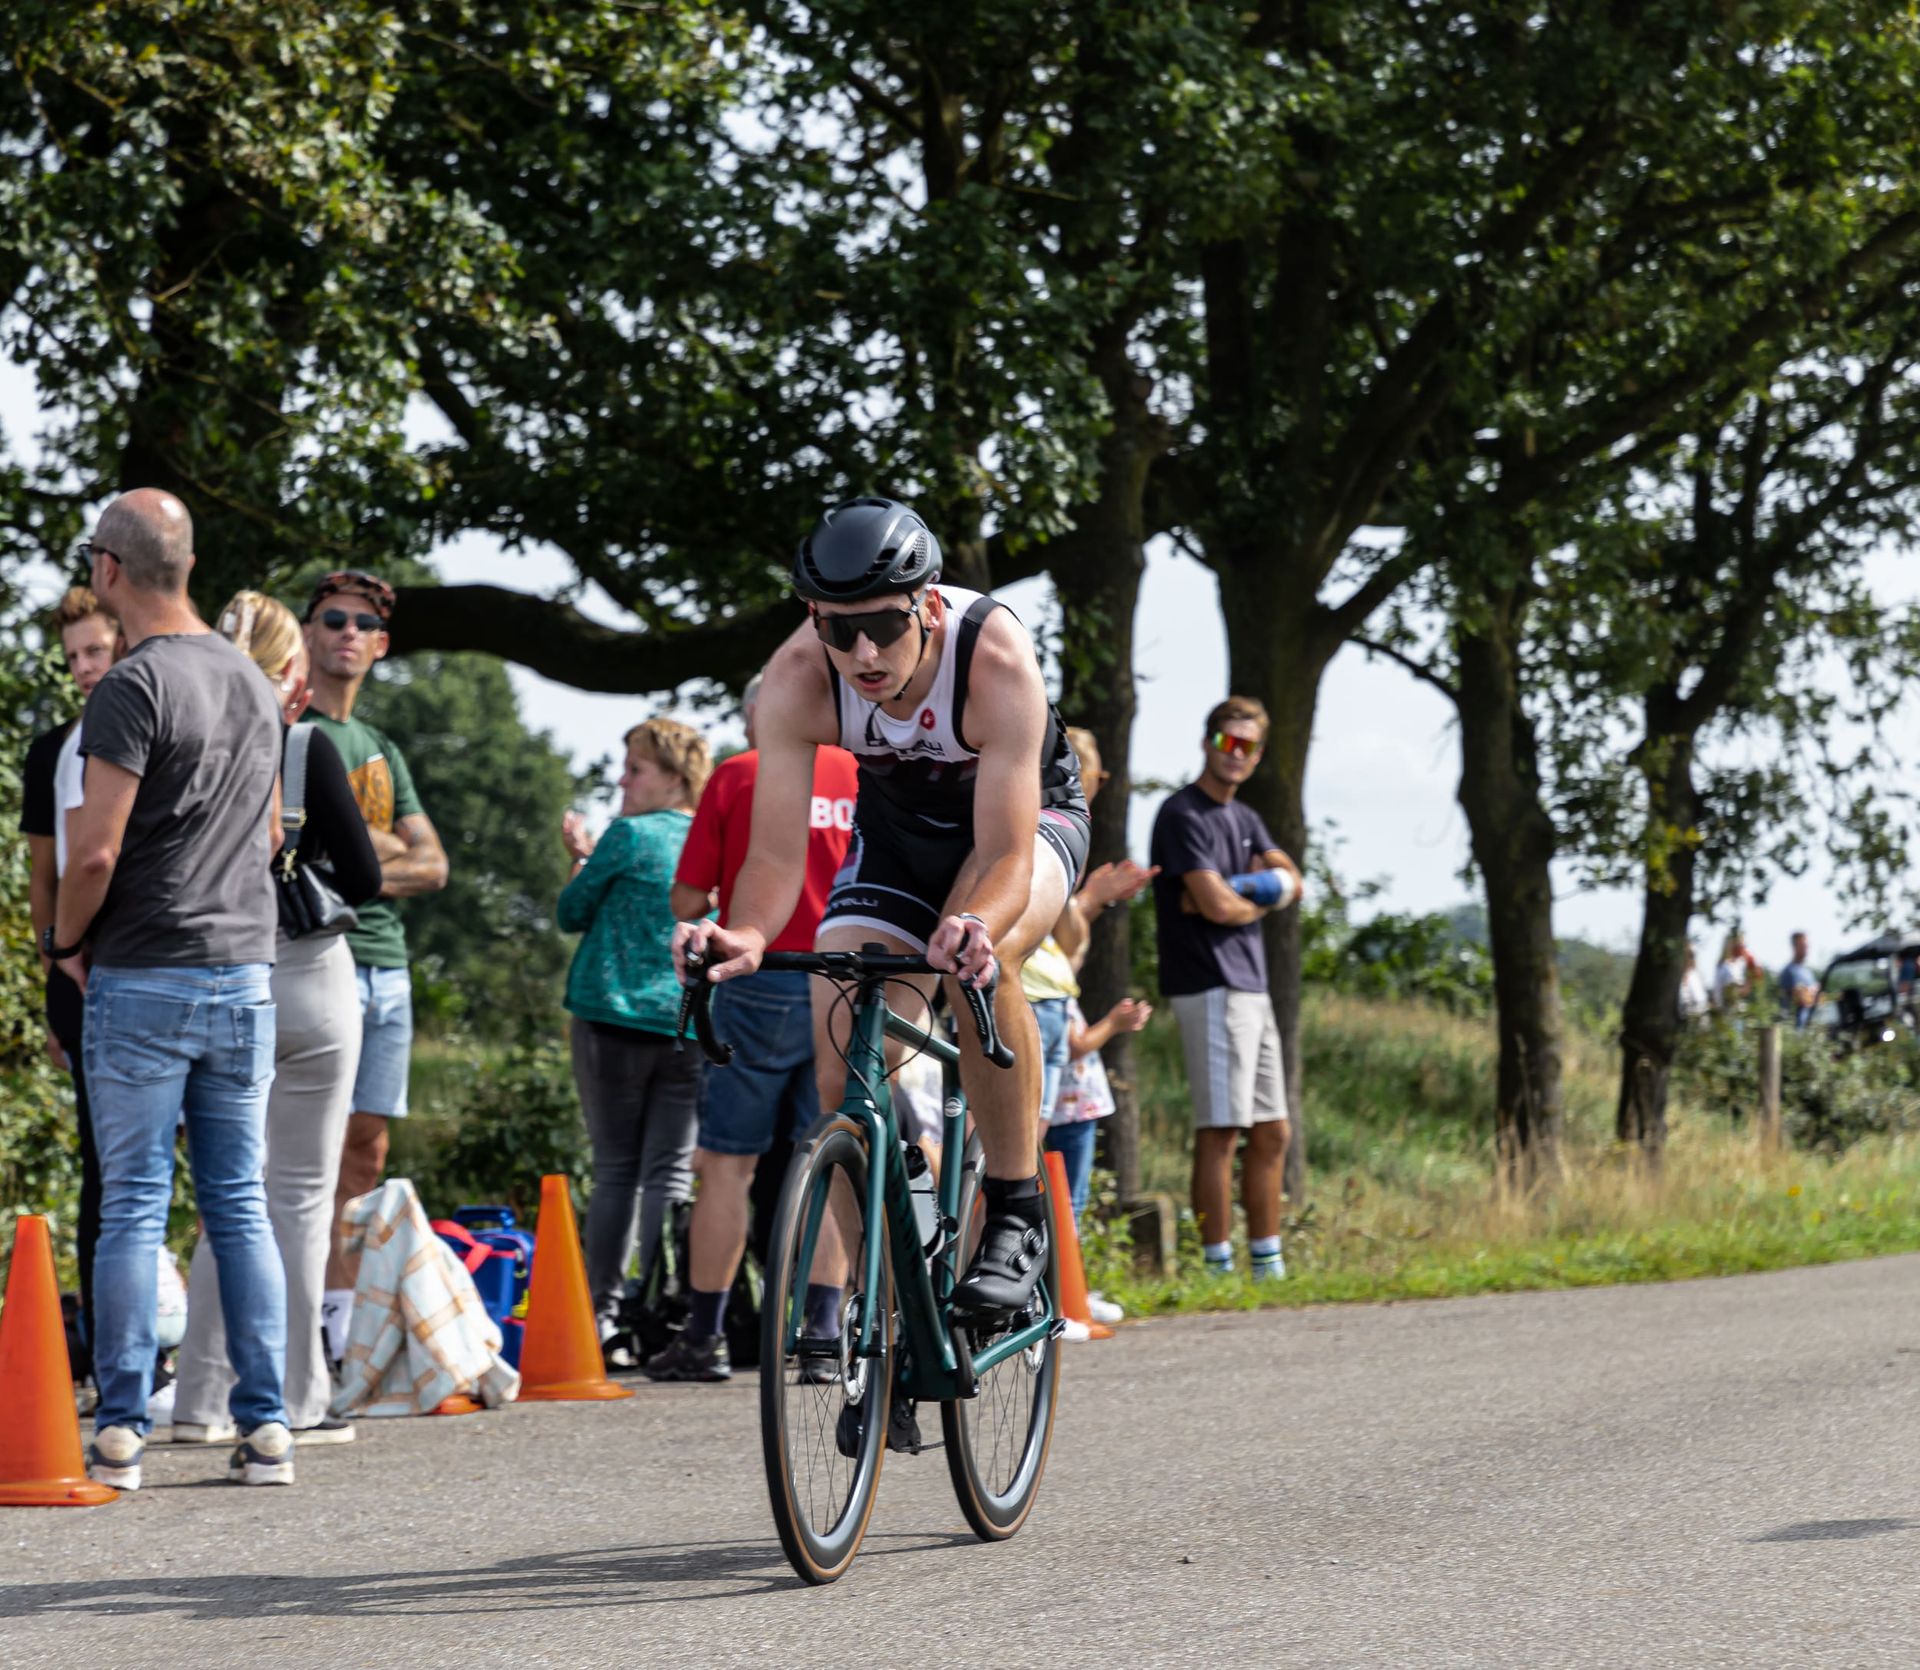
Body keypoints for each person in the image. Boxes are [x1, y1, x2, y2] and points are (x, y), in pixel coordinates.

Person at [674, 496, 1091, 1323]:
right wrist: (747, 933)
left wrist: (972, 922)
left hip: (1025, 826)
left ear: (928, 606)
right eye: (839, 629)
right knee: (840, 1053)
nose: (863, 653)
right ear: (812, 617)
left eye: (886, 627)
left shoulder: (994, 655)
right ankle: (894, 1301)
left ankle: (1014, 1214)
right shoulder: (796, 678)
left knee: (986, 956)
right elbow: (774, 857)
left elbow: (1004, 856)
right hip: (901, 836)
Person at [54, 490, 292, 1491]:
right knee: (238, 1202)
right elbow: (275, 833)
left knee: (136, 1205)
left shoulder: (130, 687)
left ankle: (119, 1427)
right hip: (244, 969)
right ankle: (269, 1423)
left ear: (109, 569)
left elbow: (96, 848)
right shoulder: (250, 677)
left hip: (145, 964)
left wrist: (61, 938)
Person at [172, 593, 382, 1446]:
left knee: (228, 1196)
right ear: (292, 667)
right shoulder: (303, 745)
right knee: (298, 1197)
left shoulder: (184, 740)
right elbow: (364, 879)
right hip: (312, 981)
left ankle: (198, 1398)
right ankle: (299, 1394)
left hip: (219, 973)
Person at [644, 678, 859, 1383]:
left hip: (758, 978)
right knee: (829, 1157)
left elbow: (685, 896)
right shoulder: (864, 774)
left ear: (756, 715)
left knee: (727, 1166)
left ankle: (703, 1336)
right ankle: (823, 1333)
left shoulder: (739, 775)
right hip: (846, 980)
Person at [298, 570, 450, 1361]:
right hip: (323, 962)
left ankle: (343, 1323)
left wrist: (355, 856)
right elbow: (292, 856)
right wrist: (372, 850)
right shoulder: (291, 731)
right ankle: (307, 1321)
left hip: (389, 969)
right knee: (309, 1151)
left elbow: (434, 865)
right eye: (333, 619)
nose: (348, 633)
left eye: (363, 624)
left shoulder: (382, 747)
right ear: (309, 633)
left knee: (368, 1150)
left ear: (381, 645)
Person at [559, 716, 712, 1343]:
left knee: (617, 1168)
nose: (623, 781)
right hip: (687, 1024)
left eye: (635, 769)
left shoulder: (626, 837)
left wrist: (581, 860)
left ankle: (602, 1310)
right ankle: (665, 1303)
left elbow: (573, 913)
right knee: (671, 1173)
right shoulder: (712, 840)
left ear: (673, 778)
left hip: (611, 1017)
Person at [1149, 696, 1304, 1280]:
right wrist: (1251, 896)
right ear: (1208, 742)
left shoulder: (1246, 818)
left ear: (1259, 755)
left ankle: (1268, 1265)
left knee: (1273, 1128)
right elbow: (1210, 906)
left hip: (1250, 984)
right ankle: (1216, 1266)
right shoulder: (1181, 813)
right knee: (1222, 1128)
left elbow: (1292, 880)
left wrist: (1240, 892)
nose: (1236, 756)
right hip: (1208, 984)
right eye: (1227, 743)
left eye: (1248, 747)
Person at [19, 585, 119, 1373]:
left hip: (160, 958)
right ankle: (112, 1348)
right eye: (73, 656)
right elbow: (42, 875)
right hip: (79, 973)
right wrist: (56, 968)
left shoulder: (158, 724)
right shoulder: (51, 750)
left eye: (96, 651)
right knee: (102, 1161)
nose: (84, 668)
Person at [1778, 932, 1822, 1030]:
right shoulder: (1789, 971)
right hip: (1795, 1028)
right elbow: (1800, 999)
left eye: (1807, 946)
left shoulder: (1808, 972)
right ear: (1794, 947)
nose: (1806, 949)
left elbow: (1819, 998)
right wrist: (1814, 993)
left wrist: (1812, 994)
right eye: (1803, 946)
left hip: (1810, 1027)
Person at [1713, 932, 1752, 1011]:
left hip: (1740, 1009)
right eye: (1740, 945)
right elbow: (1721, 992)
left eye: (1743, 946)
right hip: (1727, 1010)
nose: (1742, 948)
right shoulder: (1723, 966)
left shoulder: (1740, 964)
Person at [1678, 945, 1711, 1022]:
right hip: (1685, 1024)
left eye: (1692, 955)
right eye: (1689, 955)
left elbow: (1702, 1002)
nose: (1690, 958)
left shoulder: (1696, 977)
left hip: (1700, 1024)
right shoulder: (1676, 980)